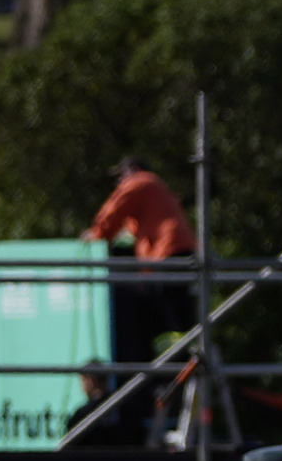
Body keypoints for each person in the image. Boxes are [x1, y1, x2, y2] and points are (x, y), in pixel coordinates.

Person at [82, 155, 196, 369]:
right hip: (173, 255)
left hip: (167, 256)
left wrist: (96, 234)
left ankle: (180, 364)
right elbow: (130, 230)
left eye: (121, 176)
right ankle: (181, 363)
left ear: (133, 170)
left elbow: (114, 211)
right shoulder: (155, 194)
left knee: (169, 316)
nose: (119, 183)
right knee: (175, 317)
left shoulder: (142, 181)